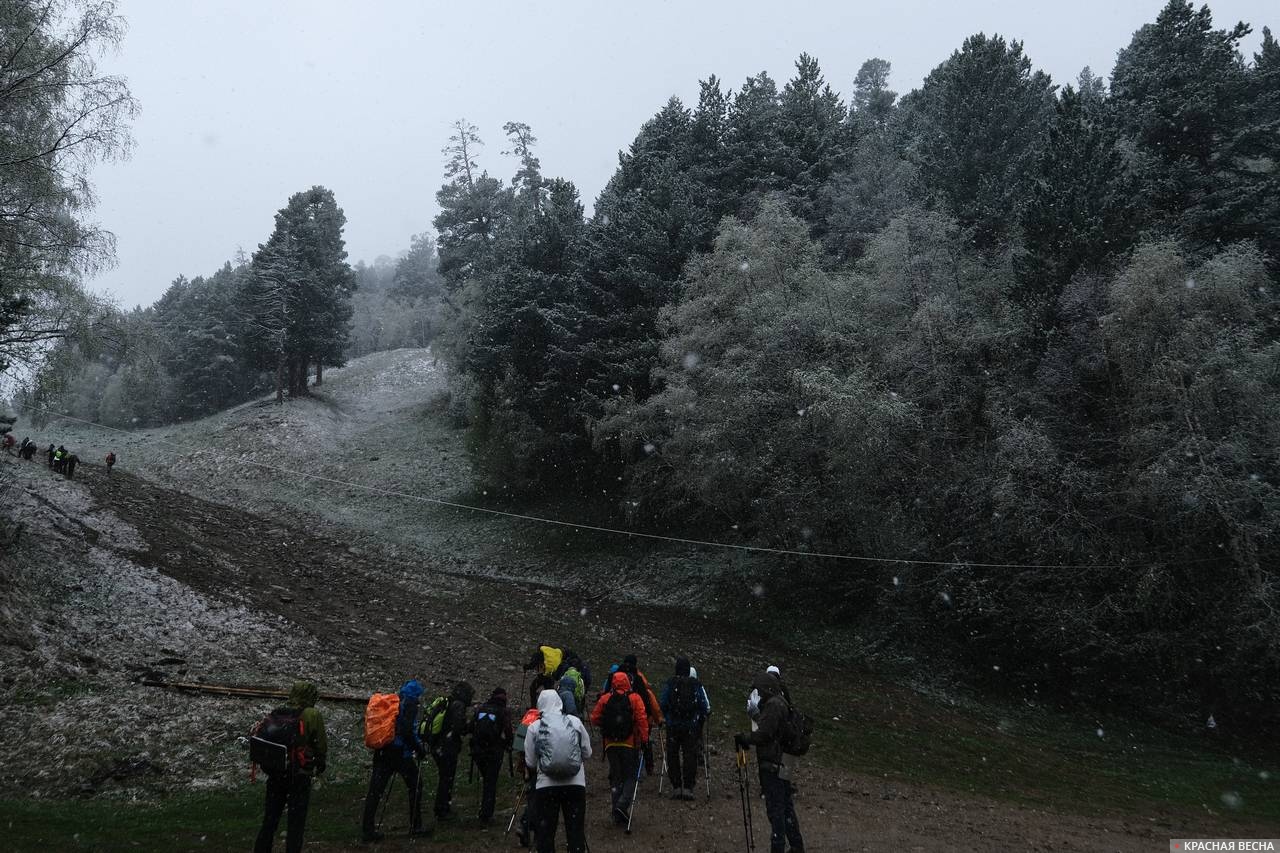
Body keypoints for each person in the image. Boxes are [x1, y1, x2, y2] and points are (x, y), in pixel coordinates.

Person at [254, 681, 327, 853]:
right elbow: (320, 744)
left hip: (277, 773)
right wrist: (320, 762)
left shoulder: (279, 712)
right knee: (296, 823)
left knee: (270, 820)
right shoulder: (312, 714)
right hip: (299, 775)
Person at [735, 671, 805, 853]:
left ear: (766, 688)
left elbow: (765, 734)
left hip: (774, 762)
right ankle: (796, 846)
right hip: (786, 760)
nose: (758, 693)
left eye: (758, 689)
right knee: (786, 805)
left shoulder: (773, 705)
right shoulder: (782, 702)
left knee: (776, 809)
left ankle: (778, 847)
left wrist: (745, 738)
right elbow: (774, 729)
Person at [361, 679, 429, 842]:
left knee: (375, 791)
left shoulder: (395, 702)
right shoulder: (410, 704)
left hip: (383, 750)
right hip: (399, 754)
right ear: (416, 694)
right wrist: (419, 750)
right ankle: (416, 825)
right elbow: (406, 731)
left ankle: (367, 829)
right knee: (416, 785)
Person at [525, 689, 591, 853]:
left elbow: (530, 762)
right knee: (575, 831)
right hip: (575, 784)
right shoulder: (574, 722)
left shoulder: (534, 727)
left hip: (546, 787)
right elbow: (588, 752)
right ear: (559, 702)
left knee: (546, 834)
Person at [591, 670, 649, 827]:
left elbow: (594, 718)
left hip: (610, 744)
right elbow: (642, 719)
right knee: (630, 775)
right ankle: (622, 806)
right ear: (628, 682)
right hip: (629, 743)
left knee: (616, 777)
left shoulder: (605, 699)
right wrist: (644, 739)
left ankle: (616, 810)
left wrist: (607, 725)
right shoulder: (634, 698)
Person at [660, 656, 710, 800]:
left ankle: (676, 786)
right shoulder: (696, 684)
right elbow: (703, 705)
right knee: (690, 755)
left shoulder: (671, 683)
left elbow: (663, 702)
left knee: (673, 755)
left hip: (673, 726)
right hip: (691, 726)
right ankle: (688, 787)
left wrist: (668, 717)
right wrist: (698, 718)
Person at [432, 680, 474, 821]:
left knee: (444, 777)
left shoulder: (449, 703)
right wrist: (470, 726)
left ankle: (442, 807)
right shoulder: (458, 705)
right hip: (448, 746)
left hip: (439, 745)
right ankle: (442, 809)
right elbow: (459, 727)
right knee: (447, 778)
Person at [471, 686, 513, 824]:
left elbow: (471, 726)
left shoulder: (481, 708)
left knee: (486, 779)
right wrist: (508, 744)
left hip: (478, 750)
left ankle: (484, 810)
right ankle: (486, 814)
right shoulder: (503, 711)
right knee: (491, 782)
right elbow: (508, 731)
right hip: (494, 750)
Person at [619, 654, 663, 775]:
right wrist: (658, 719)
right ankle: (647, 767)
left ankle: (625, 767)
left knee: (626, 742)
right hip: (642, 718)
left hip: (623, 718)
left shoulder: (617, 678)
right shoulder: (639, 678)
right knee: (645, 741)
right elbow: (650, 699)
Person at [512, 702, 542, 847]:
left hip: (524, 762)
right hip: (535, 765)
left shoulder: (529, 716)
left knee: (532, 796)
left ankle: (528, 829)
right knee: (537, 799)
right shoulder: (542, 720)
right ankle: (527, 825)